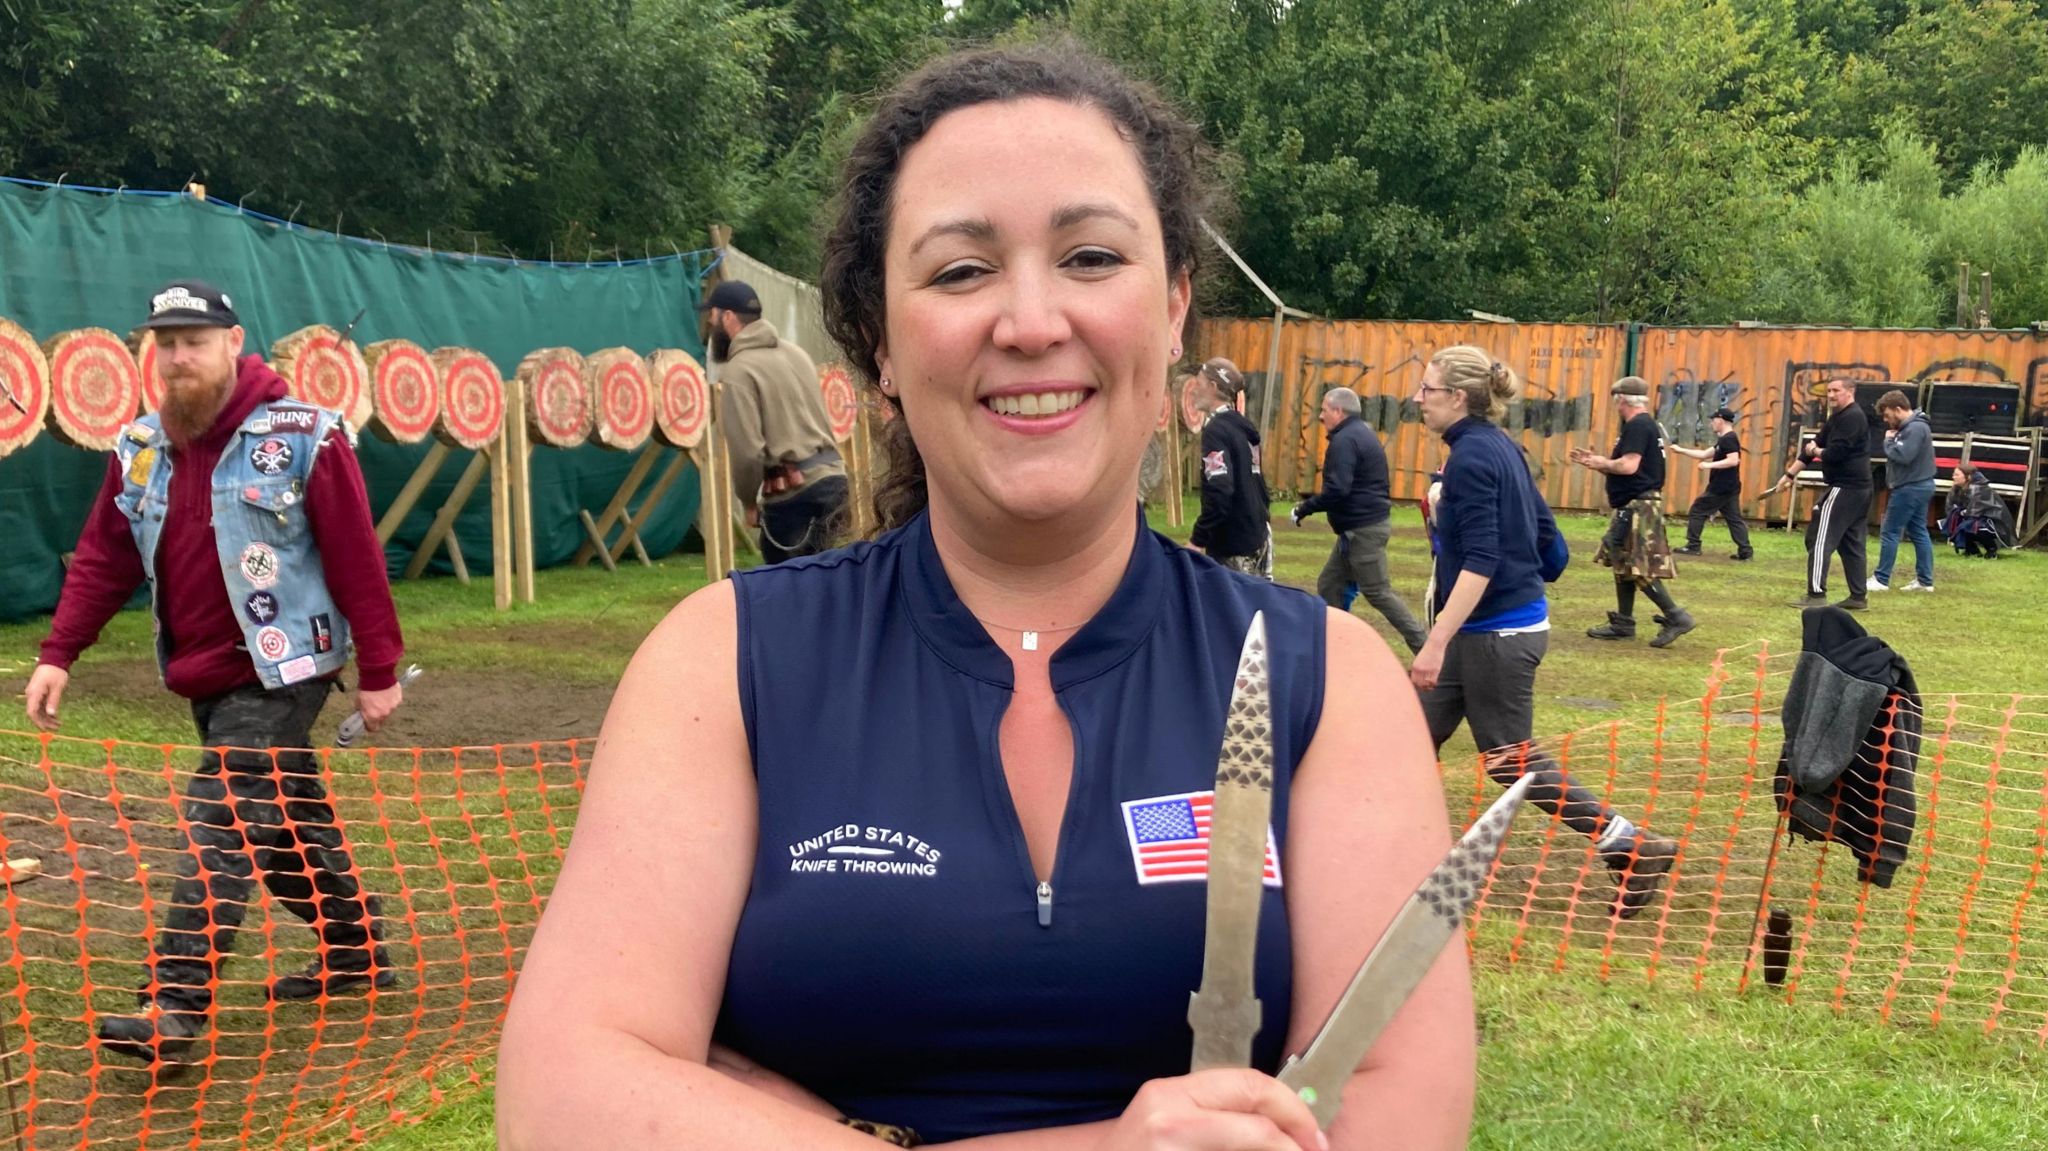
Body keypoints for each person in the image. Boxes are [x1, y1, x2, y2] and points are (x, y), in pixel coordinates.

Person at [497, 41, 1473, 1151]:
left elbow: (1392, 1106)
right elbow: (567, 1096)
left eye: (1091, 255)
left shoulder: (1321, 680)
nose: (1028, 320)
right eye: (960, 270)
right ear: (877, 343)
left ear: (1173, 308)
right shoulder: (726, 657)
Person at [23, 279, 405, 1062]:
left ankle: (173, 1001)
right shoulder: (140, 449)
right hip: (201, 669)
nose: (176, 357)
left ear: (234, 343)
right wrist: (58, 653)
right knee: (287, 827)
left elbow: (356, 555)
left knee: (223, 820)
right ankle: (356, 948)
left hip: (285, 665)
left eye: (193, 341)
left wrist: (381, 666)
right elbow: (103, 557)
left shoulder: (305, 435)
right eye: (164, 343)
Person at [1410, 346, 1678, 920]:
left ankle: (1629, 846)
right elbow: (1548, 541)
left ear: (1457, 397)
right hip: (1491, 629)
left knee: (1510, 762)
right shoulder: (1499, 448)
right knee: (1411, 735)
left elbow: (1482, 559)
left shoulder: (1470, 460)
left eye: (1427, 389)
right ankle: (1395, 852)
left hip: (1495, 636)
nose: (1417, 398)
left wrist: (1435, 641)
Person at [703, 279, 850, 563]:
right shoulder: (797, 354)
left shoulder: (739, 370)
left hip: (794, 497)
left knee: (790, 597)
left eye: (712, 317)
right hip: (836, 485)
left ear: (728, 317)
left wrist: (747, 502)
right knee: (835, 592)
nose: (711, 328)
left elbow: (748, 452)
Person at [1292, 386, 1429, 653]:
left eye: (1324, 410)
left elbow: (1337, 490)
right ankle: (1332, 646)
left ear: (1338, 411)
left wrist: (1304, 508)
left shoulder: (1344, 441)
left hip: (1363, 531)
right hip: (1358, 529)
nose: (1320, 417)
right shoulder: (1361, 433)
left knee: (1378, 592)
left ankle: (1423, 645)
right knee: (1330, 585)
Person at [1570, 377, 1695, 648]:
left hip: (1638, 506)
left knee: (1635, 565)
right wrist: (1598, 463)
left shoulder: (1638, 425)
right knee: (1621, 560)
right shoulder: (1648, 425)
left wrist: (1602, 461)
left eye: (1615, 400)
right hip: (1636, 504)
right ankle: (1623, 622)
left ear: (1622, 400)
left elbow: (1629, 467)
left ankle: (1676, 616)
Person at [1773, 377, 1871, 609]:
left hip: (1845, 488)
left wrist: (1817, 450)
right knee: (1851, 544)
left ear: (1850, 392)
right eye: (1828, 391)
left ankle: (1816, 595)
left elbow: (1834, 453)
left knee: (1819, 540)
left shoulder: (1853, 417)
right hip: (1856, 489)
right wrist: (1789, 475)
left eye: (1836, 390)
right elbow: (1813, 446)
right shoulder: (1837, 417)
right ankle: (1858, 597)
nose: (1831, 395)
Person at [1187, 357, 1273, 577]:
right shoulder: (1243, 427)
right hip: (1258, 533)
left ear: (1213, 387)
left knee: (1229, 608)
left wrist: (1198, 539)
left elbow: (1220, 490)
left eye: (1198, 383)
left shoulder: (1216, 430)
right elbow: (1258, 483)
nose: (1193, 390)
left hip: (1233, 542)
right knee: (1257, 606)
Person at [1870, 390, 1935, 593]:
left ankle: (1881, 579)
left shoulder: (1914, 429)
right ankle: (1925, 581)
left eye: (1887, 415)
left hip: (1909, 487)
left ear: (1898, 409)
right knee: (1918, 531)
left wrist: (1888, 441)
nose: (1886, 420)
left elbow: (1903, 455)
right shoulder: (1917, 426)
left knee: (1890, 531)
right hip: (1922, 485)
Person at [1668, 406, 1752, 561]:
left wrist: (1708, 466)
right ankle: (1745, 551)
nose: (1712, 423)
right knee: (1734, 519)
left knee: (1697, 510)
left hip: (1721, 487)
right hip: (1730, 487)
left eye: (1713, 420)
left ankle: (1693, 546)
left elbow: (1733, 460)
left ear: (1720, 420)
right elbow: (1704, 454)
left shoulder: (1729, 439)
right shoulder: (1724, 440)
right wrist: (1681, 450)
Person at [1941, 464, 2017, 557]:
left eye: (1957, 475)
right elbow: (1950, 508)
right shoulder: (1955, 489)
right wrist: (1955, 516)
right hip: (1973, 518)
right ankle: (1972, 550)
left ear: (1968, 476)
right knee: (1950, 523)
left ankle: (1991, 549)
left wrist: (1960, 513)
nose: (1953, 477)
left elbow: (1974, 512)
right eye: (1953, 474)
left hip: (1994, 522)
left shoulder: (1979, 489)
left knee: (1968, 526)